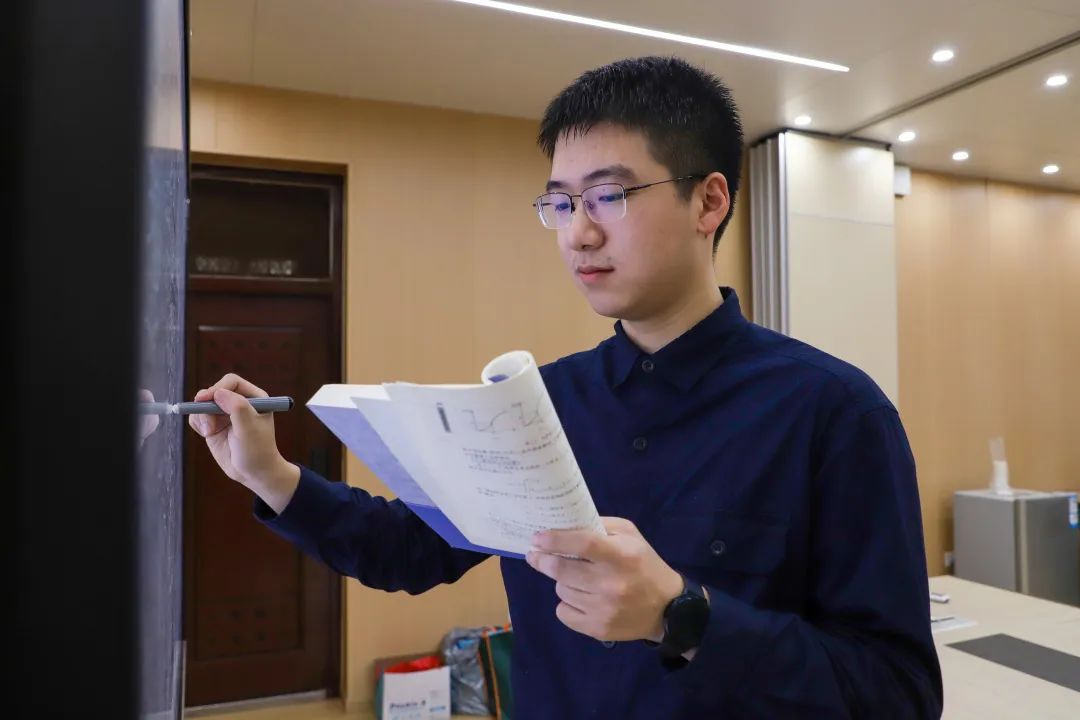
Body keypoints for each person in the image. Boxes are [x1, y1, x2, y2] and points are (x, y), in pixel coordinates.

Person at [189, 56, 943, 718]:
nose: (578, 233)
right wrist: (270, 474)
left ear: (708, 202)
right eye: (560, 203)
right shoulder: (539, 406)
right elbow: (410, 550)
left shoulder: (833, 413)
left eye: (609, 195)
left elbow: (897, 691)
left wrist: (684, 617)